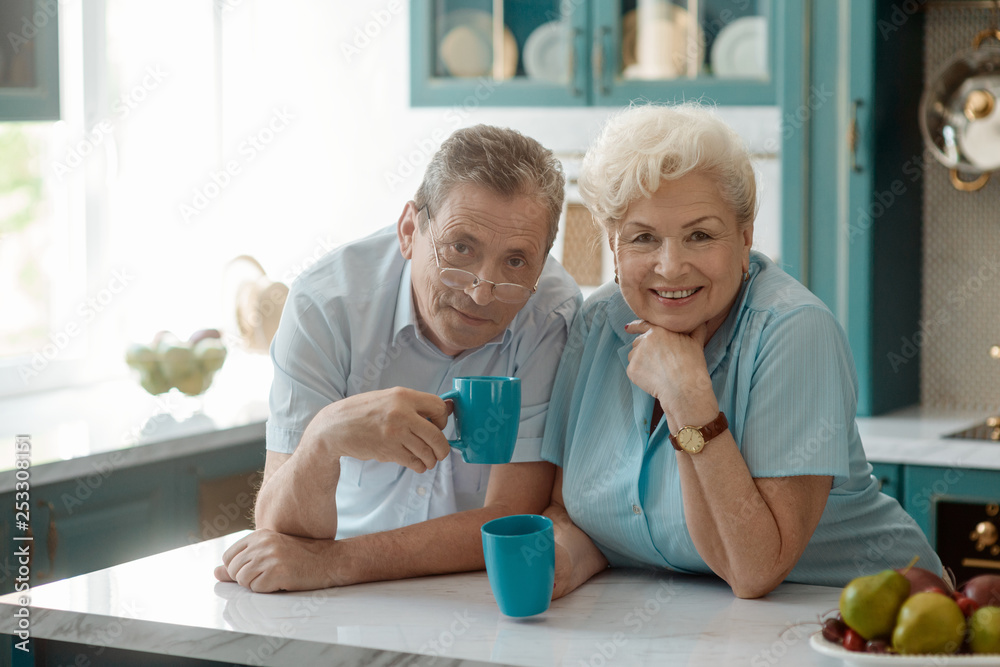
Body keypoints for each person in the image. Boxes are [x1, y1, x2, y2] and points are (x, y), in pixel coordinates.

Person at [541, 103, 941, 600]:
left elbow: (754, 569)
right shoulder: (594, 324)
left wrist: (686, 396)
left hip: (866, 621)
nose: (671, 266)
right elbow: (569, 509)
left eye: (700, 235)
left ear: (745, 236)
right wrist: (557, 563)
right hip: (696, 633)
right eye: (643, 238)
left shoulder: (795, 332)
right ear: (614, 246)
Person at [215, 125, 581, 592]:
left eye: (514, 262)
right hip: (332, 599)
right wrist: (324, 438)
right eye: (460, 248)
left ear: (543, 263)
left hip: (468, 590)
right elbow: (280, 531)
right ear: (410, 230)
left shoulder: (551, 314)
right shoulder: (325, 306)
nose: (481, 290)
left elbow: (512, 519)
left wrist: (336, 564)